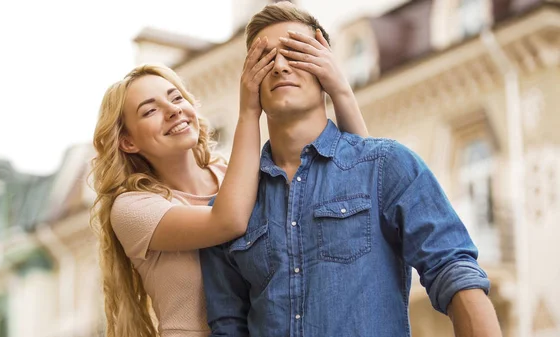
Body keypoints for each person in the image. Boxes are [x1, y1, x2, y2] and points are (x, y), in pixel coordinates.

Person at [200, 3, 503, 337]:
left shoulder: (388, 166)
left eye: (296, 52)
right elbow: (227, 326)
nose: (280, 66)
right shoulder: (225, 215)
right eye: (265, 58)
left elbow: (454, 272)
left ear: (325, 67)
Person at [89, 27, 370, 337]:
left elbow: (356, 178)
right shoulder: (133, 209)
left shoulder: (234, 175)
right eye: (151, 110)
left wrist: (339, 89)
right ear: (128, 141)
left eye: (176, 98)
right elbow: (228, 221)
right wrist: (250, 110)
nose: (172, 111)